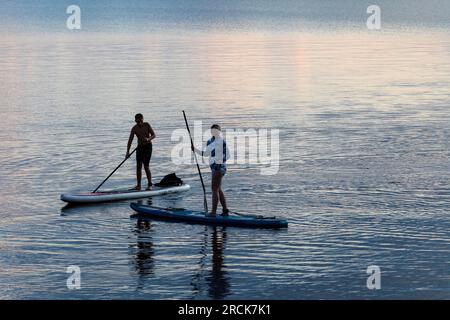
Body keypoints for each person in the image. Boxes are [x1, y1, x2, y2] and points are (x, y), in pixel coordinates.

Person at [192, 124, 230, 217]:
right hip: (213, 168)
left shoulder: (222, 142)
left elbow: (227, 155)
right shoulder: (209, 141)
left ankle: (213, 212)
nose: (215, 132)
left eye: (217, 130)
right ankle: (225, 210)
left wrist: (219, 163)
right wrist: (195, 150)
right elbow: (206, 154)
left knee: (214, 189)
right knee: (218, 189)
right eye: (213, 130)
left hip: (219, 168)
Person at [126, 113, 156, 190]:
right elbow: (130, 140)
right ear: (135, 120)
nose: (139, 123)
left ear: (143, 119)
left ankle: (150, 184)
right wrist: (127, 152)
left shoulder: (147, 125)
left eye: (140, 121)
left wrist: (148, 139)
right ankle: (138, 185)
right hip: (139, 147)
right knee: (138, 166)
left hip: (148, 147)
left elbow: (153, 135)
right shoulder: (134, 128)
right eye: (137, 121)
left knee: (146, 166)